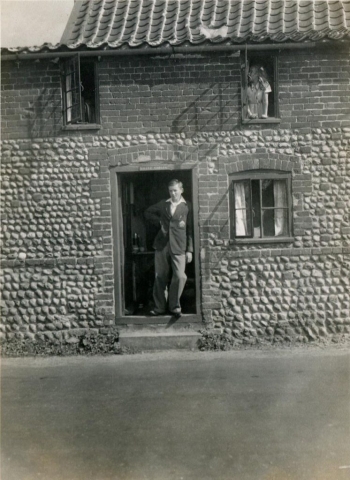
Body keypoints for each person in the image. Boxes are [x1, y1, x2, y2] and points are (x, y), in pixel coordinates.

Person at [144, 179, 193, 318]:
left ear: (181, 190)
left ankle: (174, 306)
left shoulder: (187, 206)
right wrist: (159, 222)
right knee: (160, 277)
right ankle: (159, 307)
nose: (172, 193)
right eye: (170, 191)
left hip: (179, 246)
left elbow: (190, 230)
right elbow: (148, 212)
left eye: (175, 190)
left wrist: (189, 250)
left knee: (180, 276)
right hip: (162, 245)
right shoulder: (163, 204)